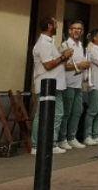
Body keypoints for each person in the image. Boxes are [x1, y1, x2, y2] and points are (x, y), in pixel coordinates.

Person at [31, 17, 74, 155]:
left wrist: (64, 57)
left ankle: (51, 143)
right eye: (55, 24)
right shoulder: (43, 43)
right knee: (42, 115)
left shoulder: (50, 43)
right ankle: (36, 145)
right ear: (49, 26)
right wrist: (63, 57)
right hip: (46, 84)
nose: (57, 26)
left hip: (56, 84)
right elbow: (48, 65)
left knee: (58, 114)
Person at [57, 20, 89, 150]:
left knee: (77, 112)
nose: (77, 31)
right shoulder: (64, 45)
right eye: (74, 29)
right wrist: (80, 66)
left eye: (79, 29)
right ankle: (62, 138)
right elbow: (62, 65)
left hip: (78, 83)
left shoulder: (81, 45)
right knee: (66, 112)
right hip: (67, 83)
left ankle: (71, 137)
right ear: (69, 31)